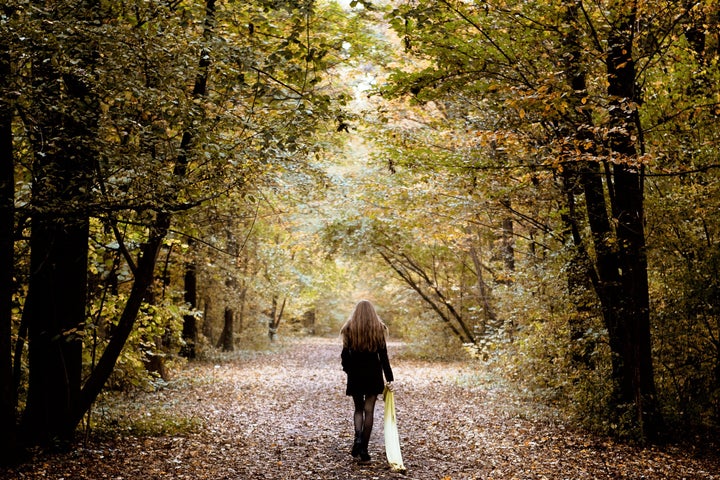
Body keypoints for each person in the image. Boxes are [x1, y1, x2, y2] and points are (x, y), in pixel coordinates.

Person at [340, 300, 394, 463]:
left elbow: (344, 355)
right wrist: (389, 378)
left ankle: (357, 438)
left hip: (355, 374)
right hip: (373, 374)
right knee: (369, 410)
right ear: (372, 312)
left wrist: (348, 370)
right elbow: (383, 356)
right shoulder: (379, 328)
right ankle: (364, 448)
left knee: (358, 409)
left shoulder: (349, 328)